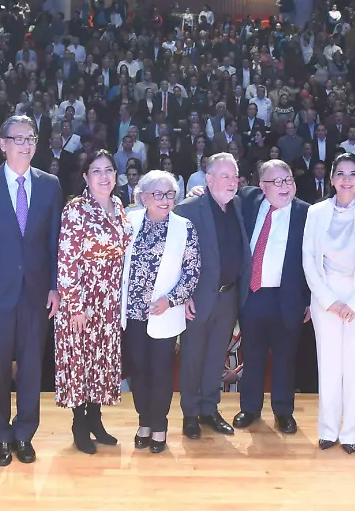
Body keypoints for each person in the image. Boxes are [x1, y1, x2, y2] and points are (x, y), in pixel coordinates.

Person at [0, 116, 62, 467]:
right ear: (2, 144)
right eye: (17, 138)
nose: (24, 144)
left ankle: (25, 434)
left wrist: (54, 286)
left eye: (30, 138)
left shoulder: (50, 184)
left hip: (37, 294)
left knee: (32, 367)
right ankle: (1, 435)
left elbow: (54, 242)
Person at [301, 153, 355, 452]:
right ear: (331, 178)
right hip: (325, 297)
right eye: (340, 173)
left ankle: (351, 433)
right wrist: (329, 300)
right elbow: (309, 260)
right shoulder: (316, 212)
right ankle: (327, 429)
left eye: (353, 174)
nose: (347, 179)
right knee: (328, 365)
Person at [54, 151, 131, 454]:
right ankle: (79, 424)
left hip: (109, 299)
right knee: (80, 361)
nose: (103, 176)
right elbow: (66, 260)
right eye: (96, 171)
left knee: (101, 361)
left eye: (108, 170)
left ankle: (96, 420)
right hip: (82, 298)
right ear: (85, 177)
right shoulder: (76, 209)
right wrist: (74, 305)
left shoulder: (120, 207)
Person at [120, 171, 201, 453]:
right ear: (143, 198)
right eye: (158, 194)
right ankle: (144, 422)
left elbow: (192, 272)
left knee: (161, 371)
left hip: (164, 313)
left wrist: (172, 299)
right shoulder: (129, 222)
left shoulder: (184, 227)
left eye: (170, 194)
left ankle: (160, 426)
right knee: (138, 370)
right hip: (131, 313)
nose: (165, 200)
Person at [173, 153, 250, 440]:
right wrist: (183, 295)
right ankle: (190, 414)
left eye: (235, 176)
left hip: (228, 296)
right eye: (225, 176)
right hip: (197, 298)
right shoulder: (188, 208)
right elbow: (174, 257)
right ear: (209, 179)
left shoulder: (239, 205)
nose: (232, 182)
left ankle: (209, 409)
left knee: (217, 357)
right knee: (193, 357)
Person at [231, 159, 311, 435]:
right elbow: (220, 195)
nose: (284, 186)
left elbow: (316, 259)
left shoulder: (306, 213)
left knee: (285, 358)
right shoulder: (248, 201)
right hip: (252, 295)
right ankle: (250, 408)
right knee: (252, 356)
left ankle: (283, 411)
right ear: (261, 186)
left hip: (287, 297)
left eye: (287, 179)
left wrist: (310, 299)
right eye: (276, 182)